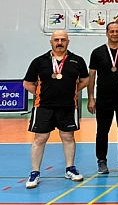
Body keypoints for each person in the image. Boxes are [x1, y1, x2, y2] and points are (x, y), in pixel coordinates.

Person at [24, 30, 89, 188]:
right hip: (43, 107)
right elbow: (27, 83)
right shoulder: (39, 61)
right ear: (51, 42)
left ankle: (70, 169)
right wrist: (42, 94)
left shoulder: (77, 60)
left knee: (68, 137)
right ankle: (35, 172)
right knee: (40, 139)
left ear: (68, 42)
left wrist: (72, 91)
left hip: (68, 106)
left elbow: (85, 80)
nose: (60, 43)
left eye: (63, 40)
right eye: (56, 40)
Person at [88, 22, 118, 174]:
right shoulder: (97, 52)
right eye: (112, 31)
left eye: (117, 31)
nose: (114, 34)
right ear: (106, 33)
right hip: (104, 98)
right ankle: (102, 160)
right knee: (102, 130)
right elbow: (92, 76)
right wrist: (91, 98)